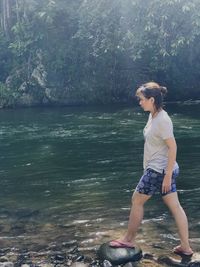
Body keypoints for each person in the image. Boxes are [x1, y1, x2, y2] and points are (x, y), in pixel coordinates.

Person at [109, 82, 193, 256]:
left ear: (151, 99)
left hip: (158, 171)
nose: (139, 102)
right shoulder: (153, 115)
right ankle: (185, 247)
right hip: (161, 170)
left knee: (136, 200)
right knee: (175, 206)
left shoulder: (162, 120)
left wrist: (167, 175)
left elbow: (173, 147)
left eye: (141, 99)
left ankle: (128, 239)